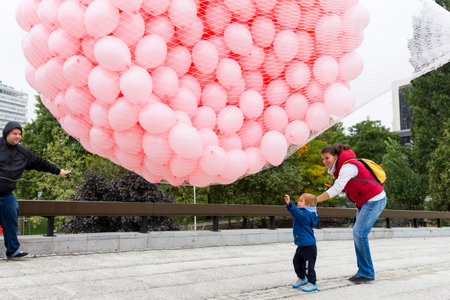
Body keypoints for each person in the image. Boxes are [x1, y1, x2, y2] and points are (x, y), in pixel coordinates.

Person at [316, 144, 386, 283]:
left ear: (336, 156)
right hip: (365, 201)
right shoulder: (342, 167)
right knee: (358, 234)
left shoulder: (348, 167)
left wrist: (315, 200)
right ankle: (364, 271)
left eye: (327, 158)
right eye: (323, 159)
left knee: (359, 233)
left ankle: (366, 273)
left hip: (374, 200)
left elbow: (336, 189)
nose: (324, 162)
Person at [0, 121, 71, 259]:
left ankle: (13, 252)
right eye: (15, 133)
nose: (18, 136)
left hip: (7, 195)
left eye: (20, 134)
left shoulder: (23, 153)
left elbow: (40, 162)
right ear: (7, 133)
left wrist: (58, 171)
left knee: (11, 224)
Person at [284, 193, 319, 292]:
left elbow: (298, 214)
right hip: (301, 245)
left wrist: (290, 204)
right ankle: (302, 278)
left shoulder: (307, 215)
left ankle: (312, 283)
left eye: (301, 201)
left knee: (308, 267)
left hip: (309, 247)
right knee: (296, 262)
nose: (298, 202)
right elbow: (296, 212)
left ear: (308, 205)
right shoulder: (303, 212)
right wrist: (290, 206)